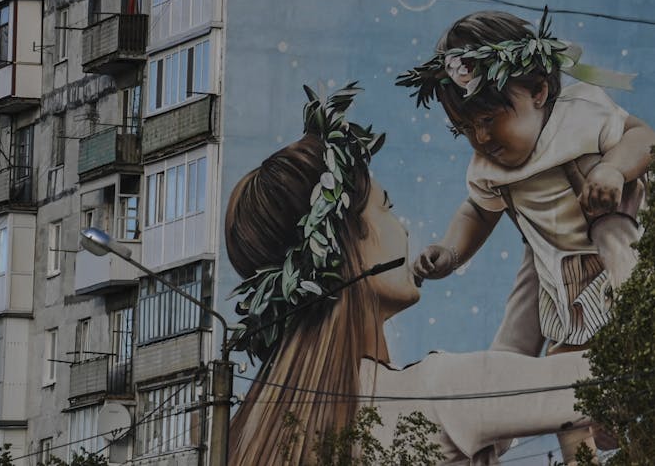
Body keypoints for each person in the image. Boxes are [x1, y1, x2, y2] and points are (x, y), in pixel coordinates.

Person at [225, 84, 597, 465]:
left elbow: (503, 372)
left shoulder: (260, 430)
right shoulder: (435, 394)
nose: (402, 229)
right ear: (347, 244)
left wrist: (543, 243)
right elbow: (603, 378)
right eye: (385, 207)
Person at [398, 10, 655, 462]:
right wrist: (452, 251)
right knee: (562, 381)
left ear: (538, 92)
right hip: (563, 270)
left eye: (490, 118)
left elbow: (641, 136)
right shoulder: (489, 167)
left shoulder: (580, 115)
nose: (481, 137)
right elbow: (477, 211)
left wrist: (614, 168)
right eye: (466, 128)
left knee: (627, 324)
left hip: (621, 245)